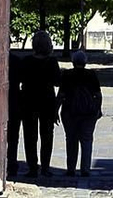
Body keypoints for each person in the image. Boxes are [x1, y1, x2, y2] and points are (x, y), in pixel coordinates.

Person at [18, 32, 61, 177]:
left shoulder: (26, 61)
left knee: (30, 136)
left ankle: (32, 167)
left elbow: (20, 79)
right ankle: (45, 167)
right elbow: (57, 81)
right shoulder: (52, 62)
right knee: (47, 136)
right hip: (47, 101)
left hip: (28, 100)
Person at [56, 49, 102, 178]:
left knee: (71, 140)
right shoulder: (91, 75)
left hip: (70, 111)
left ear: (73, 61)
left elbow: (61, 95)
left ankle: (71, 168)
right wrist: (98, 109)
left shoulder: (67, 75)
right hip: (88, 112)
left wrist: (56, 110)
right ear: (85, 62)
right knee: (87, 140)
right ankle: (85, 169)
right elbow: (98, 95)